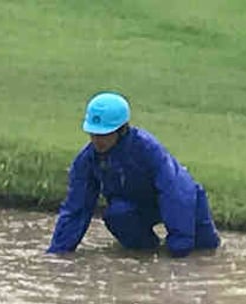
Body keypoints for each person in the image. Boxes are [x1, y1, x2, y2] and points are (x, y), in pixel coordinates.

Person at [47, 92, 221, 258]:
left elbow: (175, 194)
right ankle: (146, 250)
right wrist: (58, 253)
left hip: (185, 202)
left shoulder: (148, 149)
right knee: (117, 215)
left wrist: (179, 249)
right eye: (94, 134)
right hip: (138, 207)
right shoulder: (86, 161)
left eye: (104, 134)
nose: (97, 140)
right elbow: (76, 209)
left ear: (121, 130)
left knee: (203, 251)